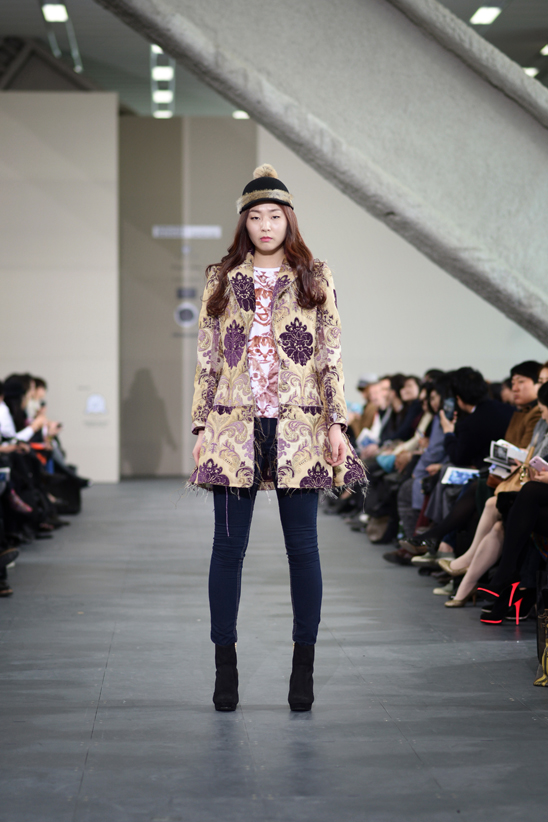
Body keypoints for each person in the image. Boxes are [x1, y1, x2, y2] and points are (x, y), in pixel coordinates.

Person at [190, 164, 366, 713]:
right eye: (255, 217)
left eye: (274, 216)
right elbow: (208, 358)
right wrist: (201, 426)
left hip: (300, 426)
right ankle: (225, 669)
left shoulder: (315, 274)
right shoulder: (221, 276)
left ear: (289, 220)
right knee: (227, 549)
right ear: (244, 223)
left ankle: (302, 668)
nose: (265, 226)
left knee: (303, 549)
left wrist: (337, 424)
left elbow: (330, 357)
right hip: (233, 426)